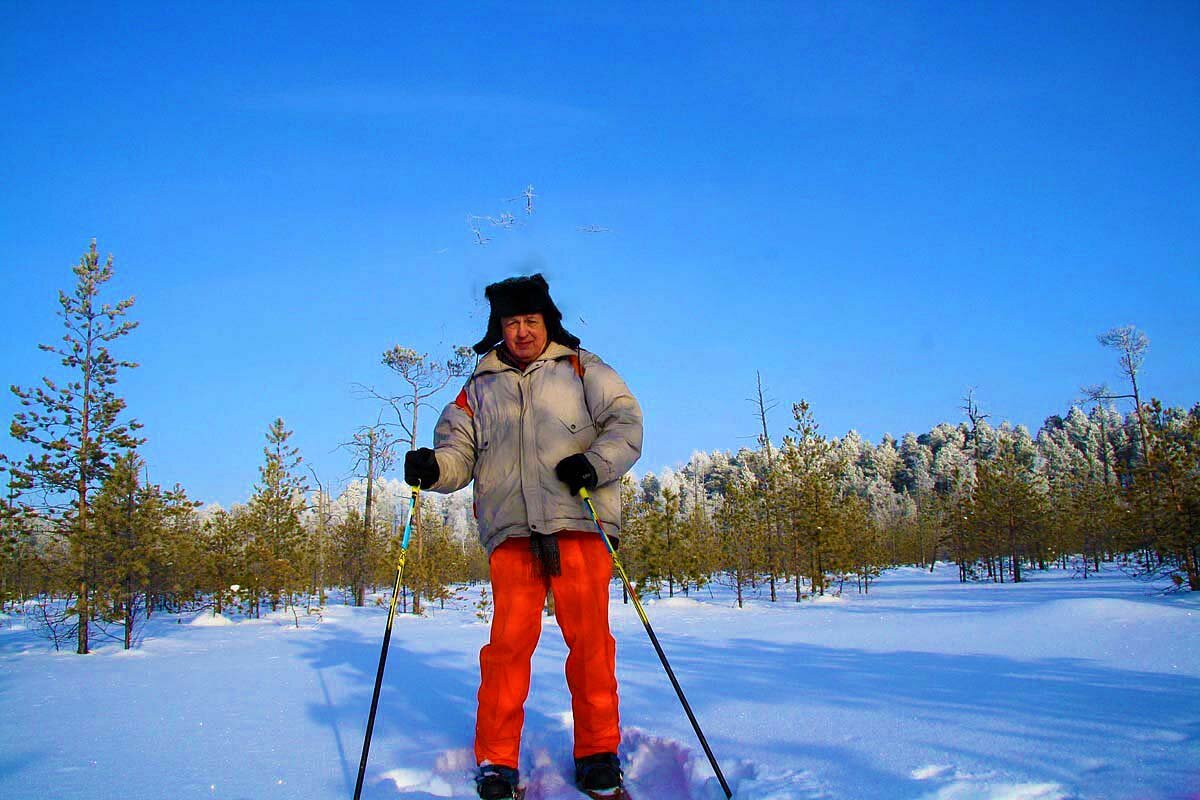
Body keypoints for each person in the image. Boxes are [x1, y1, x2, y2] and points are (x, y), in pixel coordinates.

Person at [405, 274, 643, 800]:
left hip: (579, 523)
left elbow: (625, 424)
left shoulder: (584, 369)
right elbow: (457, 453)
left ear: (547, 322)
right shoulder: (478, 388)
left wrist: (594, 464)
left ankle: (599, 752)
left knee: (591, 648)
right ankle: (496, 761)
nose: (521, 332)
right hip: (513, 533)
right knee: (508, 649)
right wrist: (433, 468)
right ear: (499, 328)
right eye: (511, 323)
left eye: (530, 321)